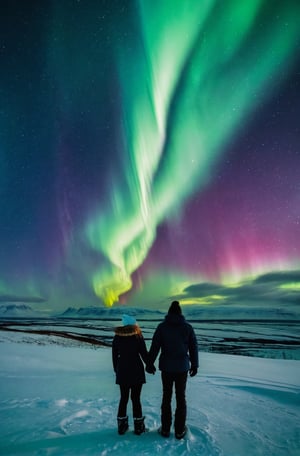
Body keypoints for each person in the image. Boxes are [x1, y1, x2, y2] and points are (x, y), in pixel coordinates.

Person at [147, 300, 198, 439]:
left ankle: (165, 429)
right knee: (181, 397)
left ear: (169, 313)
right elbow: (193, 348)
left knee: (166, 397)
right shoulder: (188, 328)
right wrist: (195, 365)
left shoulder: (162, 327)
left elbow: (155, 347)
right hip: (182, 368)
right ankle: (179, 430)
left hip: (167, 368)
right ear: (180, 313)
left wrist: (149, 363)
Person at [112, 314, 148, 435]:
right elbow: (143, 353)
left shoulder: (117, 336)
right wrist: (150, 365)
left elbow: (114, 356)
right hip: (136, 370)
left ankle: (121, 426)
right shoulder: (138, 336)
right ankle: (139, 427)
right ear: (134, 324)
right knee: (136, 398)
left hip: (122, 370)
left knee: (124, 398)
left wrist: (117, 369)